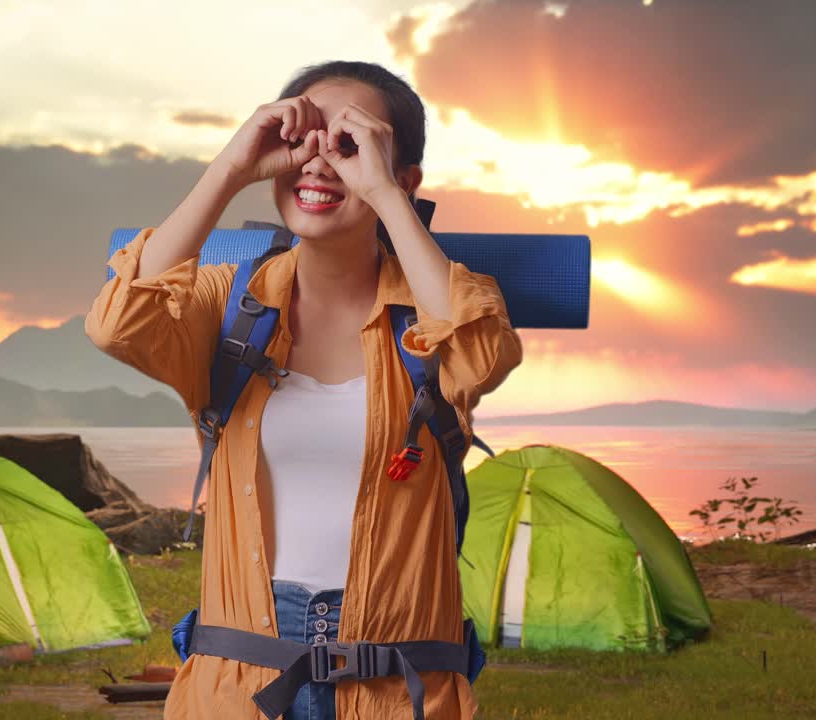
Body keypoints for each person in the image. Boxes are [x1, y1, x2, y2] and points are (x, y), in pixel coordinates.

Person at [85, 60, 524, 720]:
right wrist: (232, 166)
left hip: (395, 693)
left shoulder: (434, 311)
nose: (319, 163)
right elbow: (118, 324)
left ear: (404, 178)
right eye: (301, 139)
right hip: (239, 688)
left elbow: (482, 354)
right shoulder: (227, 306)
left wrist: (385, 197)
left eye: (350, 144)